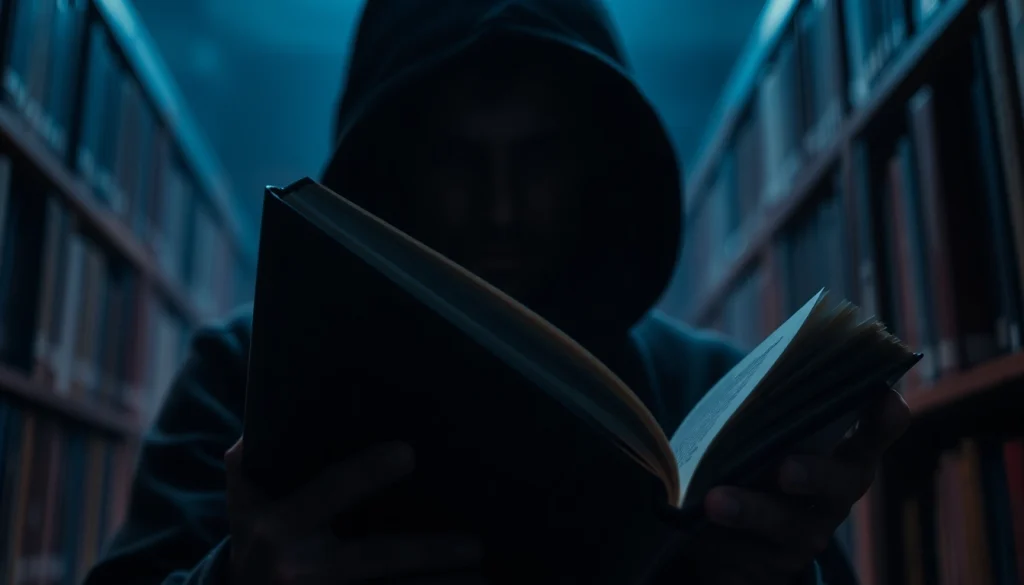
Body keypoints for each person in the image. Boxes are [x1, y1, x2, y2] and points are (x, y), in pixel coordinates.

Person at [84, 0, 911, 584]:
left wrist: (774, 572)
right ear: (392, 165)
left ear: (598, 165)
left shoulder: (707, 397)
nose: (503, 206)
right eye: (456, 158)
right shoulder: (243, 373)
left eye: (541, 156)